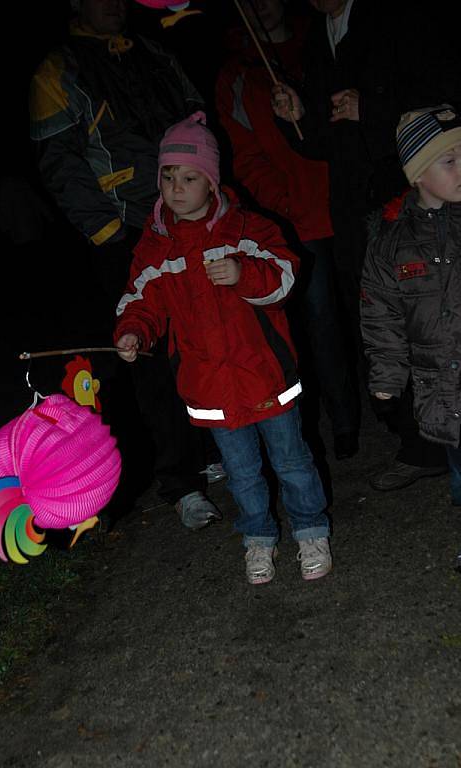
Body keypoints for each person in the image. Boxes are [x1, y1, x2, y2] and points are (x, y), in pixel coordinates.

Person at [29, 0, 225, 529]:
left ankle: (215, 447)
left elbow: (197, 119)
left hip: (188, 219)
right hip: (127, 233)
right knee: (149, 356)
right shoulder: (58, 70)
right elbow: (60, 163)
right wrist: (111, 234)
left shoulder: (155, 52)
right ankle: (181, 481)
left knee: (209, 334)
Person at [115, 111, 332, 585]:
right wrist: (133, 331)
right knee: (241, 473)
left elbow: (287, 275)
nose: (176, 187)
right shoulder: (156, 248)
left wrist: (243, 274)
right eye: (168, 176)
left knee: (292, 461)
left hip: (266, 377)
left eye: (189, 177)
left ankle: (311, 529)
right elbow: (139, 298)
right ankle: (258, 538)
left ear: (212, 182)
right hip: (209, 386)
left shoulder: (248, 229)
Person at [270, 0, 459, 489]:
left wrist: (372, 107)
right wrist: (295, 116)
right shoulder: (318, 38)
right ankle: (417, 443)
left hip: (417, 196)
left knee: (439, 314)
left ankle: (441, 441)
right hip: (359, 212)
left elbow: (442, 98)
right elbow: (322, 138)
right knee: (385, 316)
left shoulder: (397, 15)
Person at [215, 0, 358, 460]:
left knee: (373, 309)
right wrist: (284, 206)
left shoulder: (321, 41)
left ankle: (396, 407)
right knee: (320, 325)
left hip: (351, 202)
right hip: (300, 218)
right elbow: (246, 158)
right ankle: (344, 422)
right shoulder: (235, 75)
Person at [360, 106, 461, 511]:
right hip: (441, 386)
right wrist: (386, 374)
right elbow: (380, 313)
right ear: (418, 173)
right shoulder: (390, 241)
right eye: (451, 161)